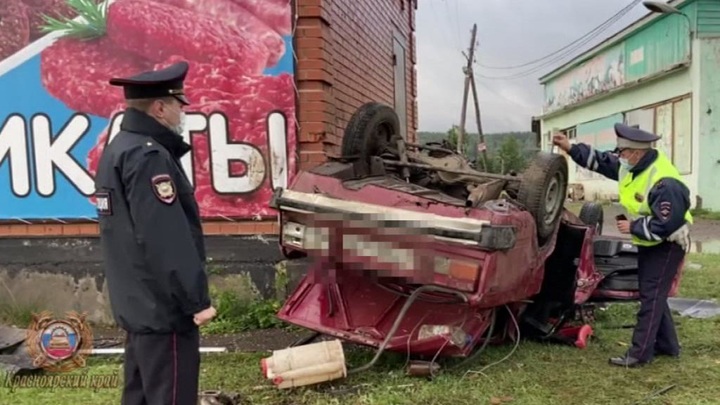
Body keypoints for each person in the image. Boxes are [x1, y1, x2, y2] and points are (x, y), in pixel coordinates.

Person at [94, 61, 216, 404]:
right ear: (160, 107)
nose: (182, 113)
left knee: (140, 396)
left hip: (139, 306)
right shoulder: (148, 157)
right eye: (179, 105)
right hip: (164, 311)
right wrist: (196, 300)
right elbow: (164, 236)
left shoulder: (119, 147)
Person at [552, 123, 692, 368]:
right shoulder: (633, 166)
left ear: (637, 153)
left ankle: (639, 354)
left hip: (667, 244)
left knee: (650, 298)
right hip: (652, 243)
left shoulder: (664, 182)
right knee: (654, 294)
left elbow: (667, 224)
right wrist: (569, 147)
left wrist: (634, 228)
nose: (620, 157)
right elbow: (602, 161)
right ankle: (667, 346)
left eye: (623, 152)